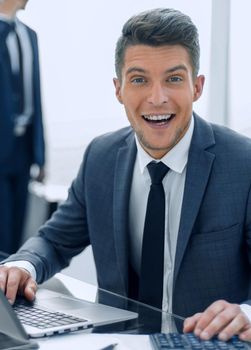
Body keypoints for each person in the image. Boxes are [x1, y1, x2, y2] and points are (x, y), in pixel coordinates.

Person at [0, 7, 251, 341]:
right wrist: (23, 266)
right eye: (139, 80)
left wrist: (246, 313)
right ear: (118, 89)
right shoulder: (101, 157)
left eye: (174, 79)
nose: (157, 98)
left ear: (197, 87)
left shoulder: (242, 162)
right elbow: (54, 241)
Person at [0, 0, 45, 254]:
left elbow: (37, 99)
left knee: (17, 230)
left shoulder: (30, 36)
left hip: (23, 149)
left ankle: (7, 287)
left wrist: (41, 155)